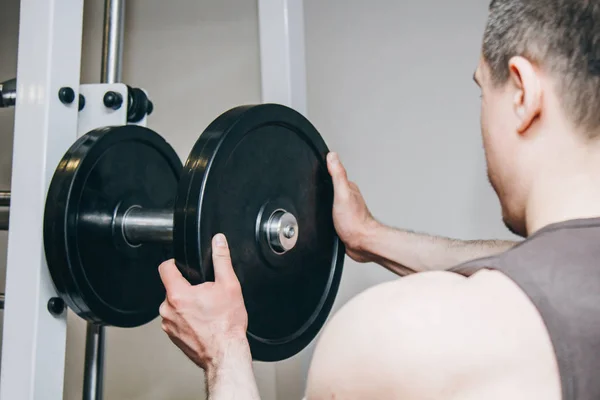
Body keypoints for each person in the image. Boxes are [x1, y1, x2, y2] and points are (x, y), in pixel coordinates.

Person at [157, 0, 600, 399]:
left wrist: (224, 349)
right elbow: (527, 263)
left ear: (523, 93)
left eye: (483, 90)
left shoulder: (391, 339)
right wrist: (368, 236)